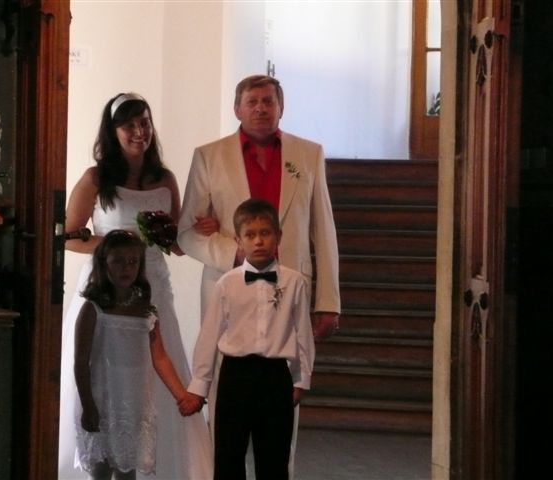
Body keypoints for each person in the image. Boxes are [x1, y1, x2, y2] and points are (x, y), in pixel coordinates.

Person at [177, 74, 341, 476]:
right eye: (252, 101)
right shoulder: (209, 156)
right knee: (226, 411)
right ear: (237, 108)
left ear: (281, 107)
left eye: (268, 101)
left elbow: (323, 230)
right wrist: (233, 252)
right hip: (228, 288)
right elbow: (187, 233)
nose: (261, 108)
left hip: (289, 288)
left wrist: (328, 300)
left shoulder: (308, 154)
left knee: (281, 425)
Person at [59, 92, 212, 479]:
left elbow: (175, 244)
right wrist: (118, 246)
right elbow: (68, 237)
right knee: (105, 367)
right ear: (113, 132)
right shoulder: (96, 178)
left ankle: (153, 463)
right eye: (129, 125)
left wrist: (200, 228)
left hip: (153, 283)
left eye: (144, 123)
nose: (139, 131)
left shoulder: (165, 178)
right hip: (107, 285)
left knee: (152, 364)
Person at [185, 198, 315, 480]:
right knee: (228, 455)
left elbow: (303, 333)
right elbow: (209, 336)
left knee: (274, 458)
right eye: (250, 235)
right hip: (235, 376)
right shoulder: (227, 283)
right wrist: (199, 384)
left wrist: (301, 378)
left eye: (265, 233)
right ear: (238, 241)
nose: (258, 241)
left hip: (275, 376)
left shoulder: (294, 282)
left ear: (278, 236)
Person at [74, 230, 198, 479]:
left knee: (127, 466)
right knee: (101, 469)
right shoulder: (93, 309)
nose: (126, 268)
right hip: (103, 398)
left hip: (134, 400)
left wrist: (181, 394)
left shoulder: (146, 310)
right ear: (104, 263)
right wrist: (87, 404)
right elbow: (80, 362)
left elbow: (159, 357)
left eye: (133, 262)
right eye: (118, 261)